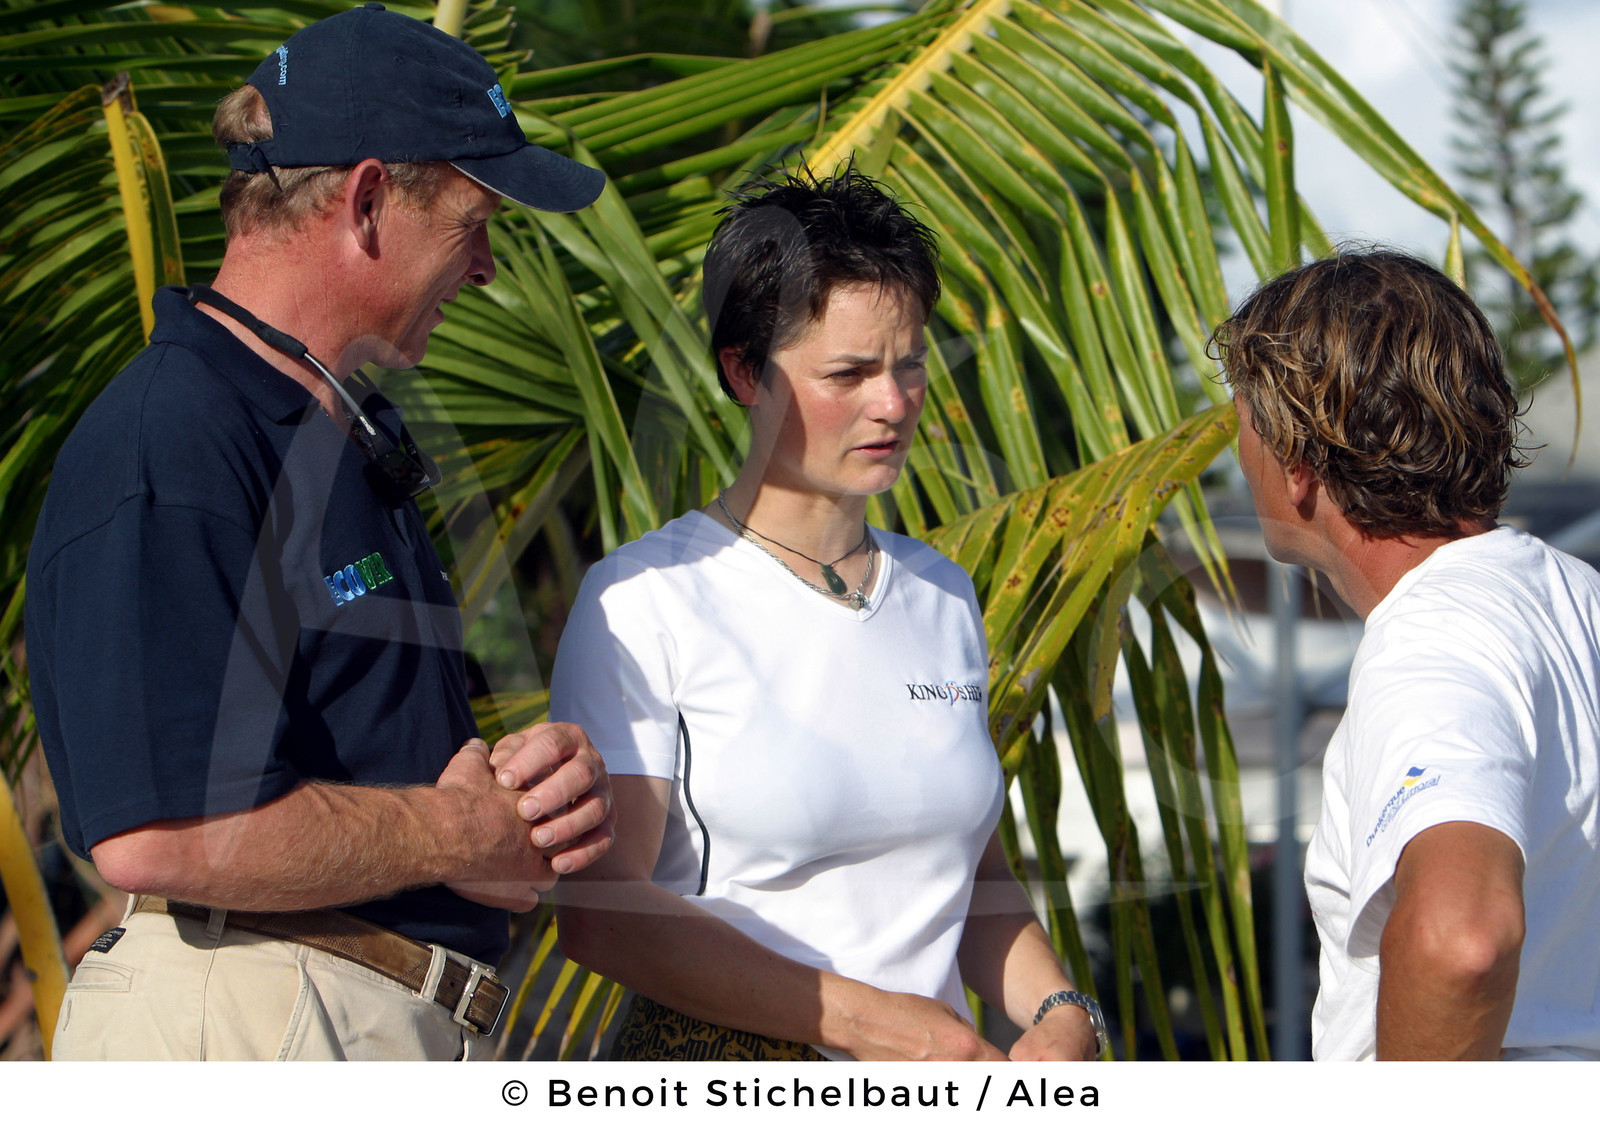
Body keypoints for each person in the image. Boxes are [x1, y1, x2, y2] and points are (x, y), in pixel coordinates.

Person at [25, 4, 615, 1060]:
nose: (485, 266)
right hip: (253, 1025)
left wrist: (514, 792)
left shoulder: (329, 427)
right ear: (369, 201)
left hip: (326, 1020)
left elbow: (355, 748)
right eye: (473, 223)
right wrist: (458, 831)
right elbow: (160, 830)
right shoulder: (174, 438)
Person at [548, 167, 1105, 1062]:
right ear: (744, 373)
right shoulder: (646, 598)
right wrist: (875, 1026)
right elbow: (604, 916)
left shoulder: (944, 594)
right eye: (849, 373)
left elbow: (972, 879)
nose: (893, 403)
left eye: (910, 363)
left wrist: (1063, 1014)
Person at [1213, 249, 1600, 1060]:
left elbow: (1462, 940)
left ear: (1298, 465)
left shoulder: (1433, 637)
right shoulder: (1575, 599)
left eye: (1241, 422)